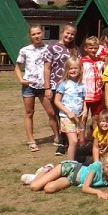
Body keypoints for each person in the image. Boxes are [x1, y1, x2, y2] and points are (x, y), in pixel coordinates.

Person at [15, 24, 57, 152]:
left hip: (44, 86)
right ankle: (31, 141)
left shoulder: (49, 48)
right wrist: (21, 80)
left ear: (42, 33)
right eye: (33, 34)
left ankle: (57, 136)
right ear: (30, 36)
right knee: (29, 112)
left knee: (51, 112)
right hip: (29, 86)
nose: (36, 36)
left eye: (38, 33)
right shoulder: (25, 50)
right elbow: (17, 67)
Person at [29, 152, 108, 198]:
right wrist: (98, 192)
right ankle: (46, 169)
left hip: (72, 180)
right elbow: (85, 188)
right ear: (103, 166)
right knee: (34, 186)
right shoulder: (96, 166)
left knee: (48, 189)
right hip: (70, 168)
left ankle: (48, 176)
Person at [43, 23, 77, 156]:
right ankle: (62, 142)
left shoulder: (75, 49)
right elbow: (47, 68)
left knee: (68, 114)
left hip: (71, 87)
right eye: (68, 33)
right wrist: (47, 87)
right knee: (59, 114)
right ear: (62, 32)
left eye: (72, 34)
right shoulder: (52, 47)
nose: (69, 36)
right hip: (55, 86)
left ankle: (68, 142)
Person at [54, 58, 86, 161]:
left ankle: (74, 160)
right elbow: (57, 101)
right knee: (74, 141)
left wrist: (85, 110)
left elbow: (83, 99)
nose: (73, 70)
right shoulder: (63, 84)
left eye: (75, 68)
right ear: (67, 70)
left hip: (78, 117)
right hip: (67, 117)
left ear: (80, 69)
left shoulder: (82, 84)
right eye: (71, 68)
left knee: (75, 140)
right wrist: (68, 112)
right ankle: (70, 163)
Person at [80, 36, 105, 135]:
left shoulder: (101, 61)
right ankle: (82, 138)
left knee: (96, 117)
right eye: (90, 48)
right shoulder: (82, 61)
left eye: (95, 48)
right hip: (85, 94)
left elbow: (104, 74)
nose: (93, 50)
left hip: (97, 93)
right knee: (84, 116)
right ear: (86, 48)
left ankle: (95, 137)